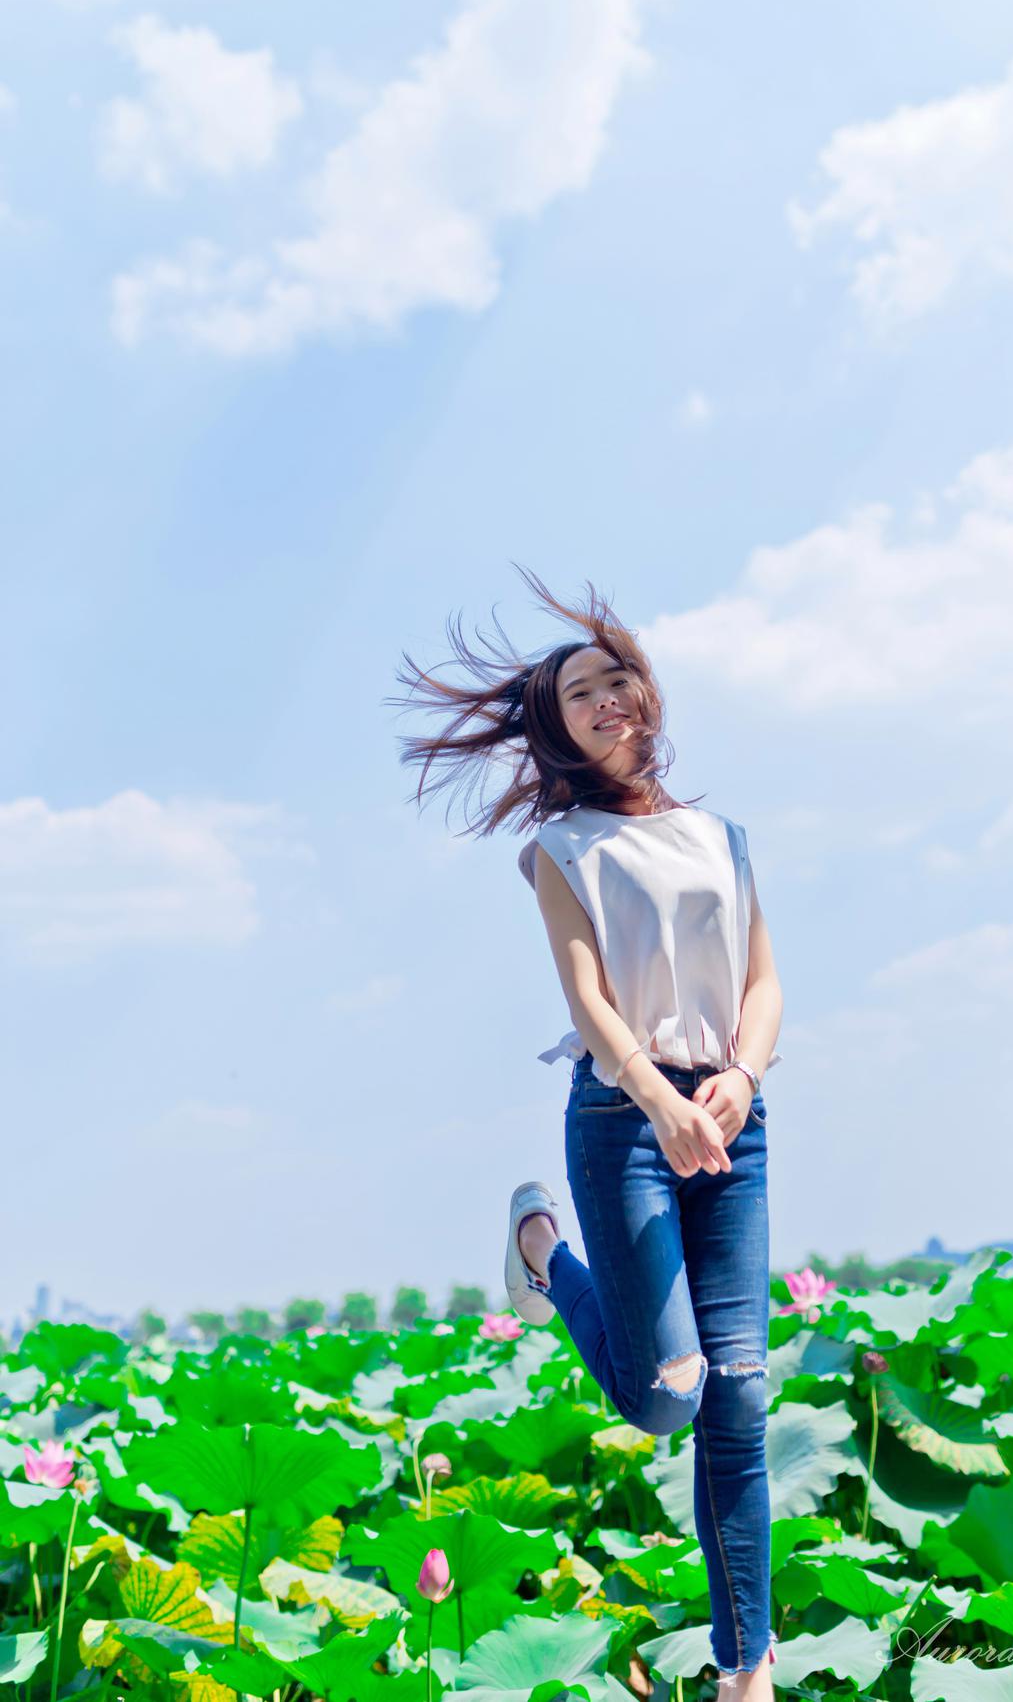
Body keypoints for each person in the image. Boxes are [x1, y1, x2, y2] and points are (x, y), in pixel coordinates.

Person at [388, 567, 783, 1698]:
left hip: (733, 1120)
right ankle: (545, 1258)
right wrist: (660, 1098)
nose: (608, 699)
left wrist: (740, 1077)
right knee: (667, 1396)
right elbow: (589, 1002)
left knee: (740, 1397)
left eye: (618, 679)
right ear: (557, 730)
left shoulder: (723, 837)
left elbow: (763, 985)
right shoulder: (562, 852)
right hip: (625, 1120)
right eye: (580, 693)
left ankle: (746, 1666)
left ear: (646, 696)